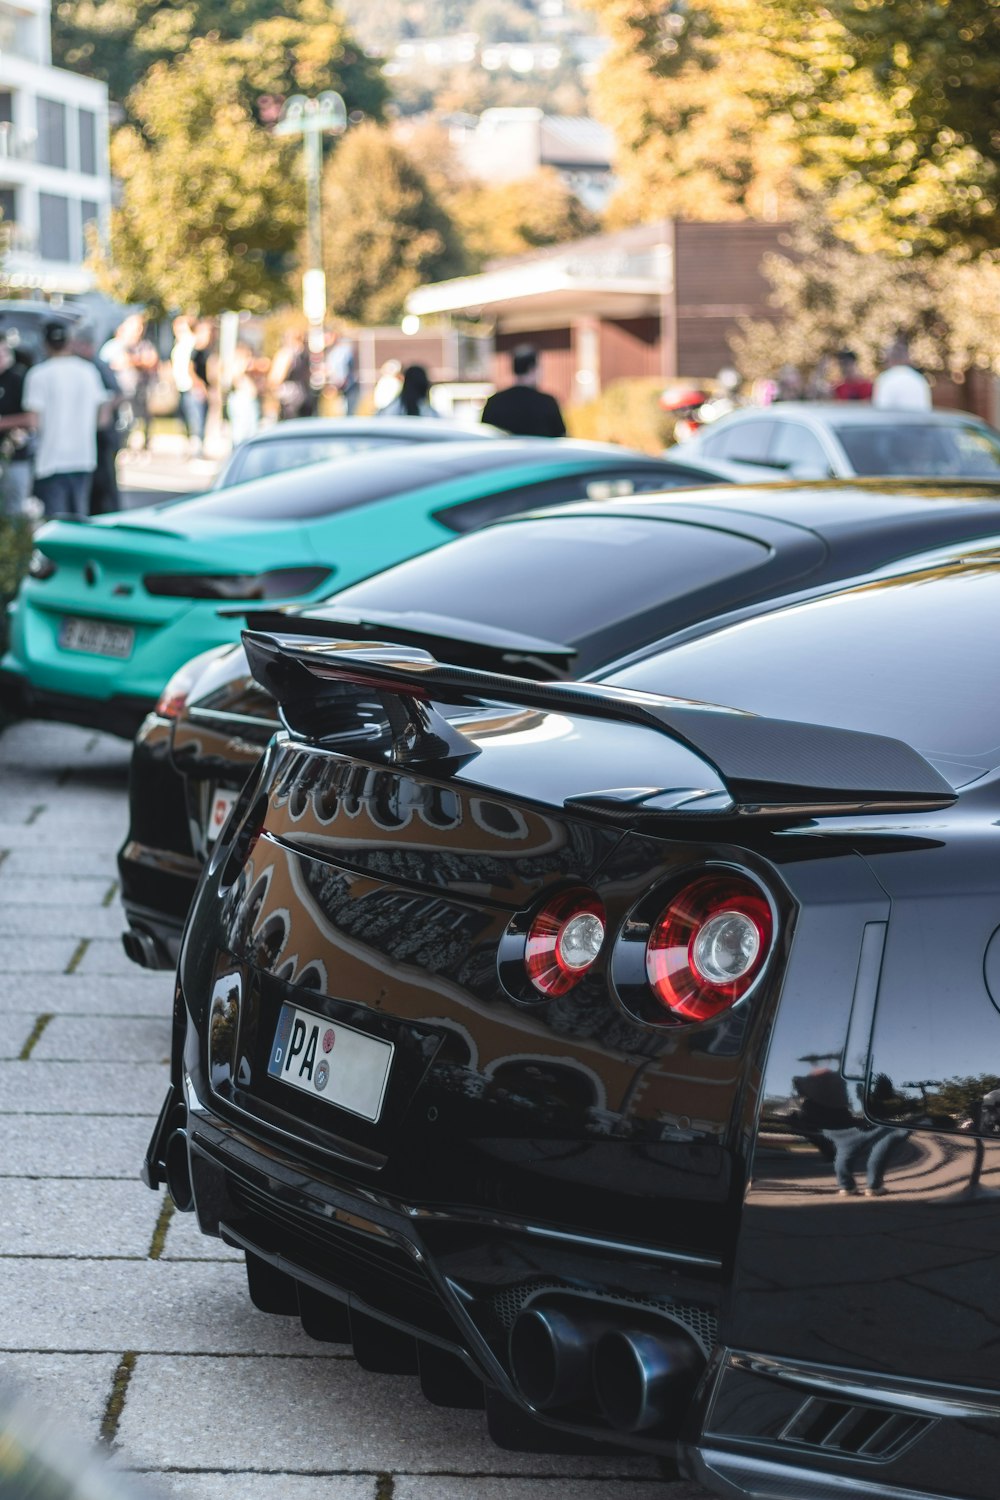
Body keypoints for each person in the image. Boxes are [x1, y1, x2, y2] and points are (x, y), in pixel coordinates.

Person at [21, 321, 110, 518]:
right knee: (79, 517)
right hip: (83, 455)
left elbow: (33, 421)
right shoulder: (88, 371)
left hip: (50, 457)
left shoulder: (38, 374)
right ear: (69, 342)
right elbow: (102, 416)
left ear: (45, 344)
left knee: (55, 522)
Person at [72, 327, 124, 514]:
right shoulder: (84, 367)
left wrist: (101, 419)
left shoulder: (96, 366)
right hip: (93, 432)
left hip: (101, 435)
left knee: (104, 481)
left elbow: (116, 395)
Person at [481, 346, 566, 437]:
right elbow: (561, 437)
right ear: (532, 368)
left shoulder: (494, 402)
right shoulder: (547, 402)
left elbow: (484, 436)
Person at [0, 335, 34, 516]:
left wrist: (4, 422)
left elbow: (31, 418)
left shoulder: (18, 378)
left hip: (15, 455)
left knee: (15, 509)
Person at [872, 339, 932, 411]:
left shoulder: (885, 378)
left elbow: (881, 409)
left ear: (889, 358)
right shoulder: (920, 379)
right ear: (907, 359)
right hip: (919, 421)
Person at [270, 330, 315, 421]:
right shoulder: (305, 354)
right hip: (303, 394)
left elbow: (278, 377)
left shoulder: (287, 354)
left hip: (288, 396)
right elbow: (308, 376)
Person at [325, 329, 359, 415]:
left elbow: (342, 370)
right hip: (341, 388)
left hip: (346, 387)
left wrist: (335, 385)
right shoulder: (333, 351)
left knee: (347, 415)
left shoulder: (342, 351)